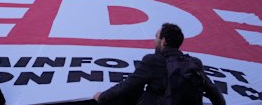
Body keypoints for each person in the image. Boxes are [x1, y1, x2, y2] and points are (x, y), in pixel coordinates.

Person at [93, 23, 225, 105]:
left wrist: (102, 97)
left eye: (156, 37)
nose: (154, 41)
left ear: (164, 41)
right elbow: (214, 93)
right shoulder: (195, 63)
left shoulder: (153, 61)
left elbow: (126, 86)